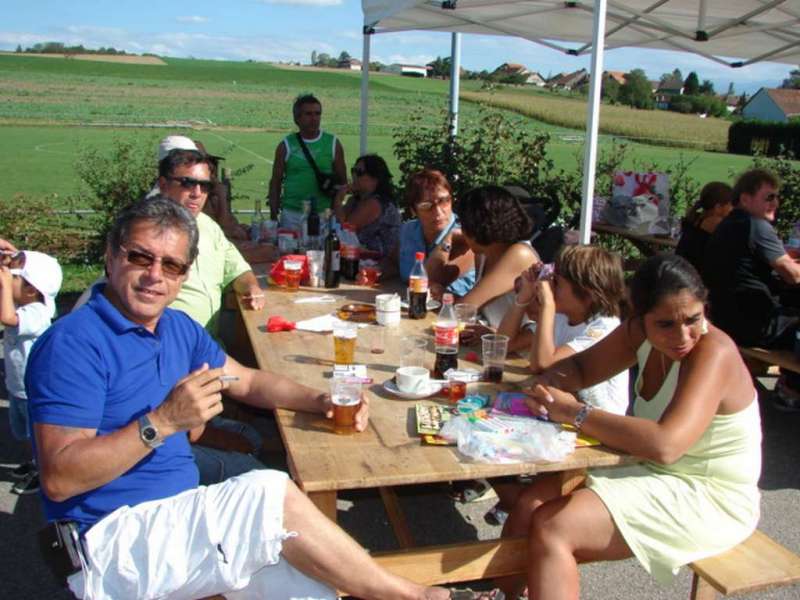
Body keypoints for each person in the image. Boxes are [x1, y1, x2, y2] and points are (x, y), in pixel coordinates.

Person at [27, 197, 451, 600]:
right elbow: (60, 479)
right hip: (108, 543)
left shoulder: (176, 328)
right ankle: (409, 593)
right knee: (268, 492)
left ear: (185, 274)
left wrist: (320, 399)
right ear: (111, 255)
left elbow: (246, 382)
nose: (155, 275)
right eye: (141, 257)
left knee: (304, 584)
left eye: (171, 265)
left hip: (178, 520)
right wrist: (163, 422)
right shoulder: (73, 344)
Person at [493, 255, 761, 600]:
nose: (683, 335)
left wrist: (573, 412)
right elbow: (580, 368)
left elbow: (667, 445)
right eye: (665, 324)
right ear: (639, 318)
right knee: (531, 504)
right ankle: (500, 595)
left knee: (555, 525)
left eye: (693, 319)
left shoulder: (714, 352)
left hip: (709, 494)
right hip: (654, 470)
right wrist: (546, 386)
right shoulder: (637, 332)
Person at [484, 245, 628, 525]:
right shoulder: (565, 315)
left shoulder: (604, 328)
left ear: (586, 295)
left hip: (597, 434)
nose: (549, 286)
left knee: (529, 505)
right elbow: (505, 344)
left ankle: (525, 524)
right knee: (480, 442)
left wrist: (547, 304)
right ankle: (521, 512)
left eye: (558, 283)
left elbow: (543, 364)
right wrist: (524, 299)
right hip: (560, 418)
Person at [703, 168, 800, 410]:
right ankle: (791, 389)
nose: (775, 202)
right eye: (769, 197)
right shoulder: (755, 225)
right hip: (754, 326)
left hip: (725, 317)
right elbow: (793, 275)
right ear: (745, 198)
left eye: (777, 197)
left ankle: (790, 387)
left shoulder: (730, 224)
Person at [0, 243, 62, 496]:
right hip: (17, 387)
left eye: (12, 278)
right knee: (24, 433)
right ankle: (34, 463)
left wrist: (4, 284)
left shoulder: (38, 313)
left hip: (31, 391)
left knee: (36, 435)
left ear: (30, 289)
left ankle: (42, 469)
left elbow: (6, 319)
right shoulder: (23, 304)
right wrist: (10, 269)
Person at [456, 185, 540, 342]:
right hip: (498, 345)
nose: (462, 231)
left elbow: (462, 310)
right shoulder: (484, 253)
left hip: (519, 357)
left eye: (464, 224)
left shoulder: (519, 255)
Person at [381, 168, 475, 298]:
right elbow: (392, 263)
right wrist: (376, 273)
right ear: (413, 210)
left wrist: (448, 239)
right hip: (411, 305)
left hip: (449, 312)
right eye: (426, 206)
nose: (438, 212)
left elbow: (428, 282)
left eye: (444, 201)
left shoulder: (465, 237)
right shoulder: (408, 231)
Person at [268, 94, 347, 230]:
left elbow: (342, 182)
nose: (314, 118)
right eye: (308, 114)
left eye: (317, 114)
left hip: (323, 216)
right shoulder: (286, 145)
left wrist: (335, 211)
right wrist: (274, 217)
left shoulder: (333, 143)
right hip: (292, 215)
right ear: (297, 118)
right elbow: (275, 183)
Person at [332, 154, 401, 258]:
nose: (354, 176)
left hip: (380, 261)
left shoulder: (375, 203)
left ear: (375, 179)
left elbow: (345, 229)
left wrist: (338, 199)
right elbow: (337, 223)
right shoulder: (355, 200)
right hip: (359, 255)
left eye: (359, 172)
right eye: (353, 171)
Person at [675, 181, 733, 274]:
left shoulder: (696, 218)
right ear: (718, 207)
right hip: (695, 278)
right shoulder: (716, 222)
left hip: (682, 272)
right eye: (731, 205)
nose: (733, 208)